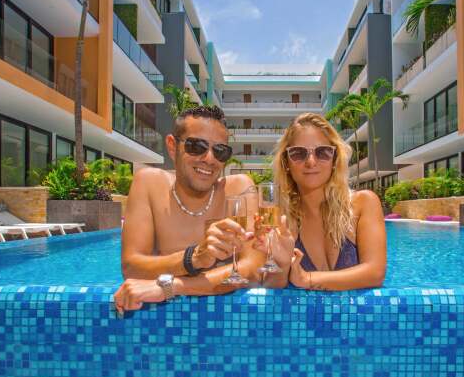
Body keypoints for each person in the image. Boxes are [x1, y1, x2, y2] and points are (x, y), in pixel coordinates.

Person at [113, 106, 270, 314]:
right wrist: (193, 258)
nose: (209, 159)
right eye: (196, 146)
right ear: (172, 146)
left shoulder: (239, 189)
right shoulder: (149, 184)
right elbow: (131, 268)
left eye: (220, 151)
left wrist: (173, 286)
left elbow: (252, 268)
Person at [255, 112, 386, 290]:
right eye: (298, 153)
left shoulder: (363, 203)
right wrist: (282, 264)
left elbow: (375, 273)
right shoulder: (283, 220)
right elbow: (272, 287)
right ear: (286, 163)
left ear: (334, 159)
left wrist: (306, 278)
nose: (311, 162)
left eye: (323, 152)